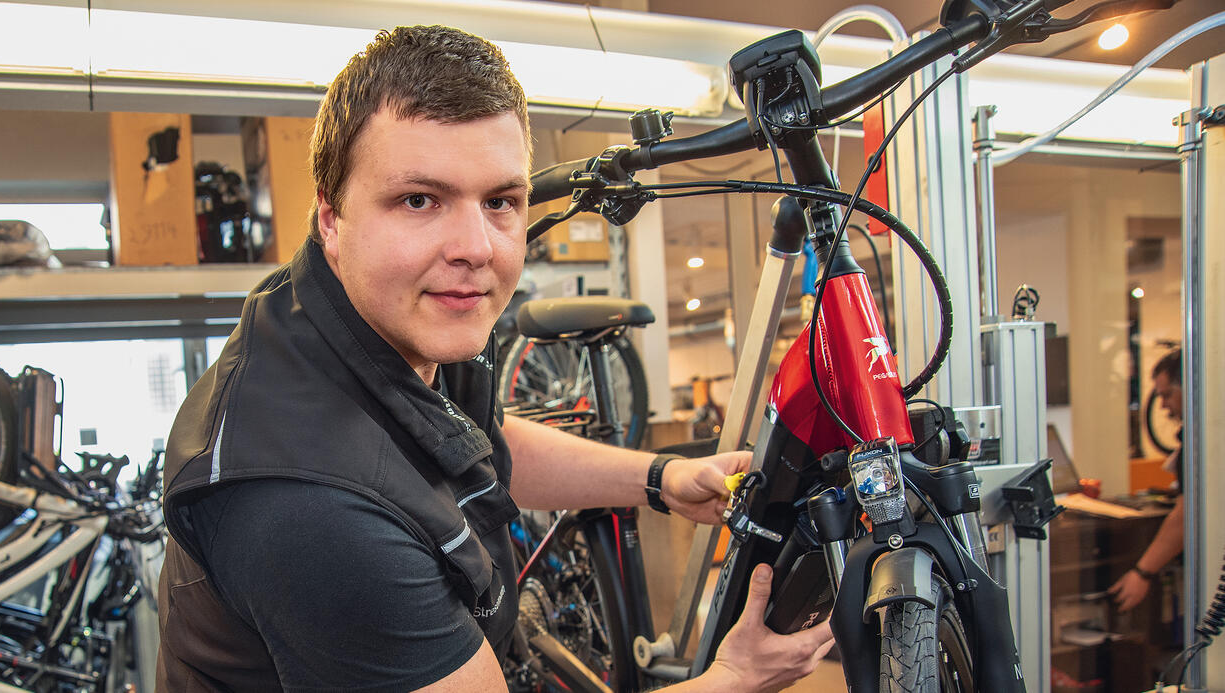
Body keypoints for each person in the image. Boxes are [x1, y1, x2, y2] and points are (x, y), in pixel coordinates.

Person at [157, 25, 833, 692]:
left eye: (500, 201)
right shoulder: (314, 515)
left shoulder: (357, 311)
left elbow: (476, 439)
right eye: (419, 199)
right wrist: (737, 678)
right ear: (331, 219)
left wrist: (661, 476)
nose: (475, 247)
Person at [1108, 348, 1185, 611]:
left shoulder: (1201, 444)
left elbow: (1185, 516)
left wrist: (1142, 572)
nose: (1163, 406)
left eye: (1166, 395)